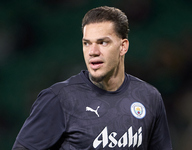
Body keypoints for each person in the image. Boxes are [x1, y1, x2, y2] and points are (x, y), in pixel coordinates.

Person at [12, 6, 173, 150]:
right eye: (87, 43)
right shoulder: (60, 98)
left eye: (102, 42)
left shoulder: (149, 97)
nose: (92, 51)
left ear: (123, 46)